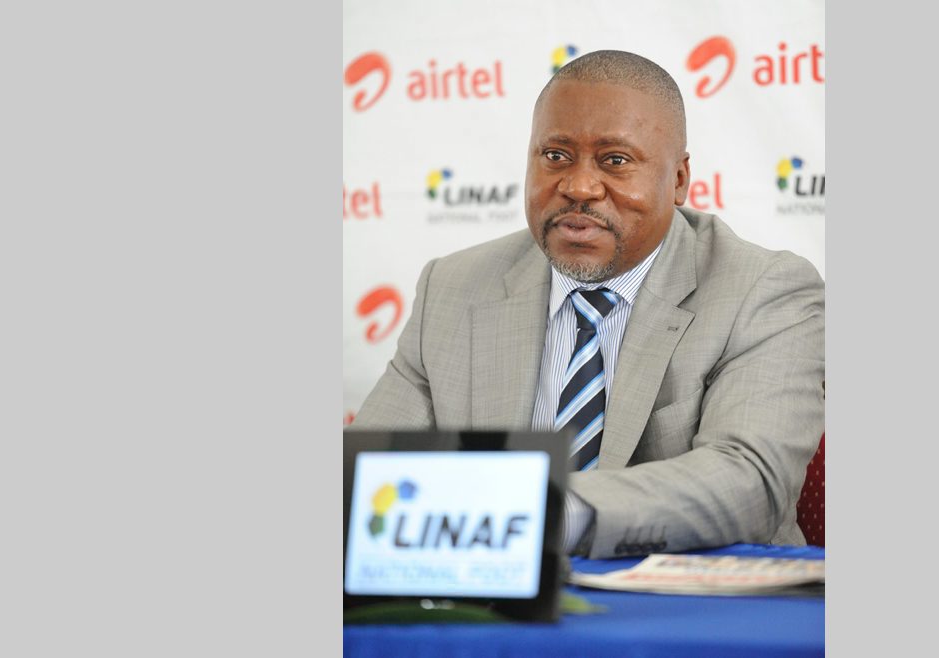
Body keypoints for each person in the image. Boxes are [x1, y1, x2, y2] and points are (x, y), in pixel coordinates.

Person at [351, 50, 824, 559]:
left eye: (614, 161)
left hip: (691, 596)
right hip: (487, 590)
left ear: (679, 180)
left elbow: (749, 481)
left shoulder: (764, 291)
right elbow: (369, 475)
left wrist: (534, 515)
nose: (578, 186)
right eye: (555, 156)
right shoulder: (453, 287)